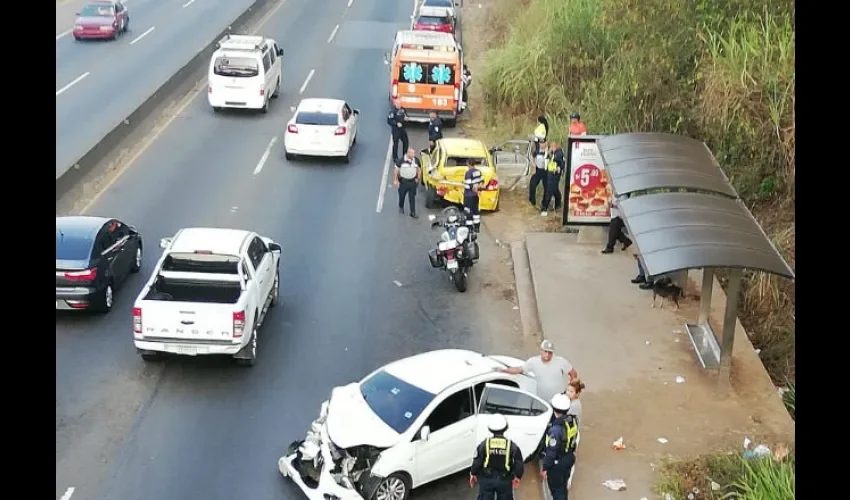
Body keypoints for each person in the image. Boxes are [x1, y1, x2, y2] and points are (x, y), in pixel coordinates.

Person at [494, 340, 577, 403]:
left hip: (559, 399)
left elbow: (573, 373)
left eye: (550, 352)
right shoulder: (533, 362)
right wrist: (504, 370)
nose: (547, 355)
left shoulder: (561, 361)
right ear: (541, 351)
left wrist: (571, 390)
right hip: (542, 401)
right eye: (545, 351)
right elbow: (519, 370)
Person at [470, 414, 524, 500]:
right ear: (505, 428)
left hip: (487, 479)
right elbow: (519, 462)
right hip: (504, 480)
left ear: (490, 429)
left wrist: (473, 473)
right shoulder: (511, 445)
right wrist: (518, 476)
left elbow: (477, 461)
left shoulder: (484, 444)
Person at [540, 394, 579, 500]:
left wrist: (545, 468)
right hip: (569, 458)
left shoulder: (555, 430)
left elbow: (551, 452)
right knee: (562, 488)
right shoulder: (573, 420)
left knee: (557, 491)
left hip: (558, 464)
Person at [393, 148, 421, 218]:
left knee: (412, 197)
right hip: (403, 182)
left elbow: (419, 169)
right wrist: (395, 179)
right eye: (412, 153)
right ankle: (401, 206)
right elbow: (396, 170)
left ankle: (413, 212)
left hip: (412, 182)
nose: (414, 155)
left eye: (414, 153)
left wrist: (418, 178)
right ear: (408, 153)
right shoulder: (401, 161)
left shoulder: (416, 160)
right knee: (402, 195)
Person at [540, 140, 564, 216]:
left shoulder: (559, 153)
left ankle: (544, 208)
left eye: (551, 146)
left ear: (555, 146)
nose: (550, 148)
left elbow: (561, 162)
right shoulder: (554, 153)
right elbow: (547, 158)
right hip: (551, 173)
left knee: (550, 190)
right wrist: (548, 151)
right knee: (555, 190)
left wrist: (559, 168)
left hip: (554, 174)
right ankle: (558, 206)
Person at [463, 158, 484, 230]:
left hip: (469, 195)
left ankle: (469, 227)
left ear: (468, 164)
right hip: (475, 196)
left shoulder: (468, 173)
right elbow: (481, 181)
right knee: (475, 210)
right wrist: (478, 190)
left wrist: (475, 190)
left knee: (468, 210)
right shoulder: (478, 171)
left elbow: (469, 185)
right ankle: (477, 227)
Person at [529, 140, 548, 208]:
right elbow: (531, 158)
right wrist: (533, 165)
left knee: (547, 188)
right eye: (540, 143)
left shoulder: (548, 151)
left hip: (546, 171)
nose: (542, 145)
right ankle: (532, 201)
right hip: (538, 170)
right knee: (532, 184)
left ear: (546, 143)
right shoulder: (536, 151)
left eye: (543, 143)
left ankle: (544, 204)